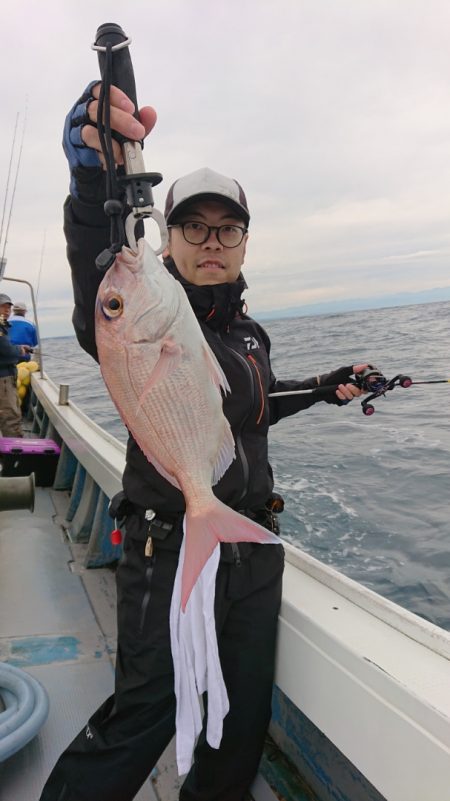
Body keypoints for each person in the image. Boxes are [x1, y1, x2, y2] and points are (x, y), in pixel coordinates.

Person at [39, 82, 370, 801]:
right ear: (167, 238)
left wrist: (325, 384)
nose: (212, 241)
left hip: (251, 554)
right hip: (167, 552)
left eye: (228, 228)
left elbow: (251, 405)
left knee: (237, 732)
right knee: (139, 721)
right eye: (194, 227)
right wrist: (94, 178)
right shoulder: (148, 313)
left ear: (247, 239)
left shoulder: (248, 333)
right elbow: (97, 268)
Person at [0, 293, 32, 437]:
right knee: (11, 415)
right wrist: (20, 349)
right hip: (3, 378)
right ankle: (14, 455)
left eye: (8, 307)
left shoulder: (4, 325)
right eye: (2, 307)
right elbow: (5, 349)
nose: (6, 310)